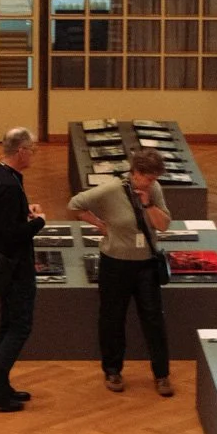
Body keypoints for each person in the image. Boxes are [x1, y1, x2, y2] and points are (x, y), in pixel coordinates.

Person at [69, 144, 174, 396]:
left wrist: (148, 204)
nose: (152, 182)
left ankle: (161, 375)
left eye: (155, 178)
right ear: (135, 173)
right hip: (115, 264)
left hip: (146, 264)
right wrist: (100, 224)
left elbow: (163, 226)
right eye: (148, 178)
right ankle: (112, 370)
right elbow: (75, 205)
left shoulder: (154, 190)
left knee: (154, 320)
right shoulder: (111, 190)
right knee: (112, 318)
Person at [0, 125, 46, 411]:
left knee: (7, 325)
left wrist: (24, 212)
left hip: (4, 265)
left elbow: (2, 221)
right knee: (19, 327)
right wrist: (38, 222)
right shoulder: (8, 185)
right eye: (32, 150)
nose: (33, 155)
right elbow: (11, 235)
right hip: (15, 268)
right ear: (21, 151)